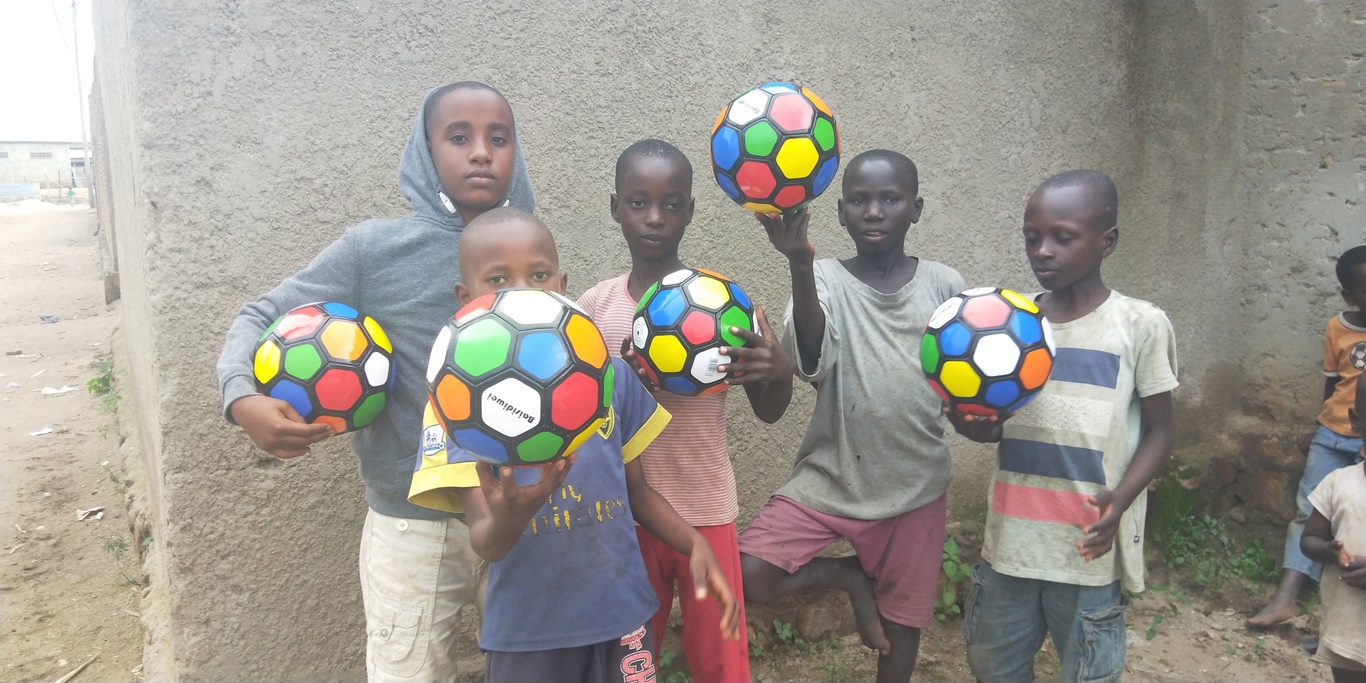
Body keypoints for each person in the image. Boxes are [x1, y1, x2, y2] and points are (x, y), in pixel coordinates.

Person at [216, 82, 534, 682]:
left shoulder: (529, 248)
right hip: (413, 526)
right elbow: (261, 314)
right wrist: (242, 396)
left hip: (520, 512)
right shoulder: (375, 250)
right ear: (424, 151)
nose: (481, 152)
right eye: (458, 137)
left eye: (499, 138)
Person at [407, 207, 741, 683]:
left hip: (623, 617)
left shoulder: (609, 376)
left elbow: (637, 492)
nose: (522, 293)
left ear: (562, 286)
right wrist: (513, 515)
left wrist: (694, 544)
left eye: (538, 275)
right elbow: (486, 541)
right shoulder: (457, 401)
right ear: (466, 298)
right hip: (529, 633)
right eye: (498, 280)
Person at [740, 150, 966, 683]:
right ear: (840, 213)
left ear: (916, 209)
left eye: (891, 199)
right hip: (833, 477)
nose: (874, 211)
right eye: (859, 200)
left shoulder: (944, 285)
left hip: (914, 485)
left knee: (901, 631)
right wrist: (798, 263)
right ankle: (850, 576)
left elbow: (966, 369)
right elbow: (812, 361)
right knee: (749, 572)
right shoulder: (823, 278)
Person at [574, 139, 794, 681]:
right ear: (615, 208)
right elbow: (581, 420)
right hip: (624, 517)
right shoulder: (594, 309)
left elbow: (769, 412)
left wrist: (779, 370)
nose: (655, 217)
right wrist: (628, 390)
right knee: (629, 664)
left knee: (720, 661)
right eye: (638, 202)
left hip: (705, 508)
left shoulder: (727, 305)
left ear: (690, 211)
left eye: (672, 204)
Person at [953, 170, 1177, 683]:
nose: (1042, 251)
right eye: (1032, 237)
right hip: (1011, 543)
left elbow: (1161, 431)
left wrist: (1121, 501)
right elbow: (998, 424)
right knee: (993, 665)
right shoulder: (1011, 324)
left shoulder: (1140, 325)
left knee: (1088, 672)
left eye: (1063, 237)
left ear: (1107, 241)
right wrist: (974, 427)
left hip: (1086, 546)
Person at [1249, 245, 1366, 628]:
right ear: (1349, 295)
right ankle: (1287, 598)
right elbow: (1333, 384)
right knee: (1310, 510)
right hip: (1333, 434)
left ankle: (1346, 610)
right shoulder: (1338, 328)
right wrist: (1318, 425)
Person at [1300, 376, 1366, 682]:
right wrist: (1329, 551)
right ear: (1356, 420)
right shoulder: (1339, 484)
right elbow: (1310, 540)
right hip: (1348, 627)